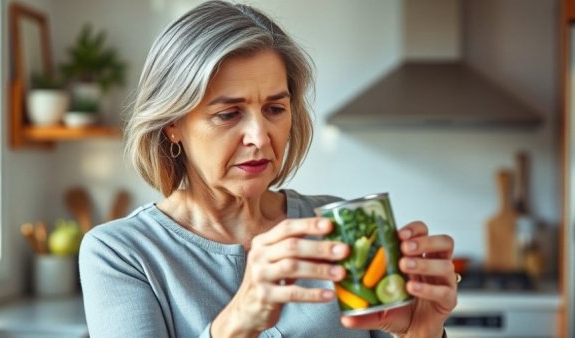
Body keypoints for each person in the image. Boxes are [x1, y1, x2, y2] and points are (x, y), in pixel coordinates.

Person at [79, 1, 458, 337]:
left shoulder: (339, 226)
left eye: (275, 109)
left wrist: (421, 334)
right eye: (228, 114)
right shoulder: (121, 253)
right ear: (172, 125)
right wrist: (238, 322)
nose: (260, 137)